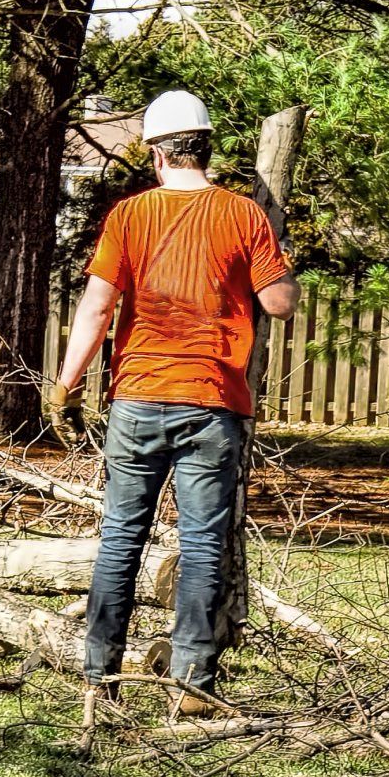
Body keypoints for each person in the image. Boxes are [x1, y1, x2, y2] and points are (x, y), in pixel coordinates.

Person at [49, 90, 299, 718]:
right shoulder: (244, 215)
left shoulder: (129, 216)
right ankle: (191, 684)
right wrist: (270, 267)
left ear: (157, 154)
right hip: (213, 401)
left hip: (136, 398)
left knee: (120, 539)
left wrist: (66, 381)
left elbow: (98, 307)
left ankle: (99, 673)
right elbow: (280, 304)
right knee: (204, 543)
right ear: (206, 149)